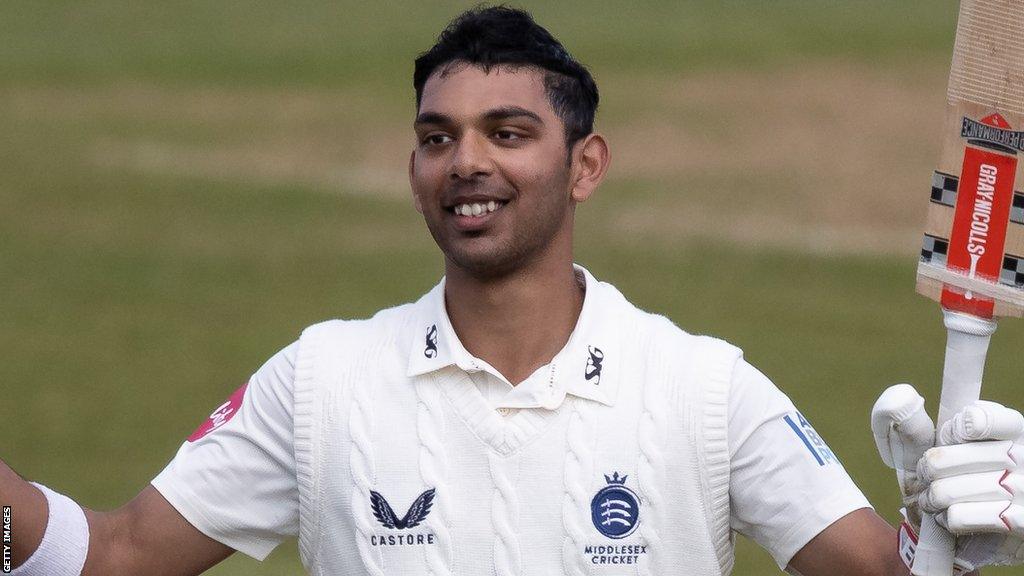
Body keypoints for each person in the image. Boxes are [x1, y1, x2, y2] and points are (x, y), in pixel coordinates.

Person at [4, 6, 1023, 576]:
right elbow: (114, 557)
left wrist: (945, 542)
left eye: (508, 132)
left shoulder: (701, 391)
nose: (464, 163)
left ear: (585, 167)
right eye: (436, 137)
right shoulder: (322, 383)